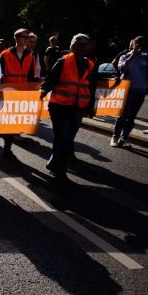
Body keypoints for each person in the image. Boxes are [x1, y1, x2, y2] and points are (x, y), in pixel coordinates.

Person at [40, 33, 96, 183]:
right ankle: (60, 170)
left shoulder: (89, 64)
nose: (83, 47)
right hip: (59, 106)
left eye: (85, 44)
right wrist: (42, 93)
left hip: (78, 107)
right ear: (72, 46)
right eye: (79, 44)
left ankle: (53, 162)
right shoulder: (62, 61)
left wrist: (91, 107)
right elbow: (49, 81)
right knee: (62, 137)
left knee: (67, 138)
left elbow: (90, 86)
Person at [0, 28, 36, 160]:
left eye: (28, 37)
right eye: (24, 37)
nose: (27, 39)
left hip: (20, 95)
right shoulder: (5, 54)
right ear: (16, 39)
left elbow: (31, 76)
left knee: (13, 123)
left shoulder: (30, 55)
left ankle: (7, 149)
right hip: (5, 94)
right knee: (2, 122)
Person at [111, 36, 148, 147]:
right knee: (122, 115)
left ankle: (124, 138)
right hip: (127, 88)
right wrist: (133, 55)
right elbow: (122, 68)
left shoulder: (146, 58)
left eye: (141, 44)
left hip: (141, 89)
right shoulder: (125, 56)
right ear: (132, 44)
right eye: (137, 43)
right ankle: (115, 137)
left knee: (131, 116)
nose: (139, 46)